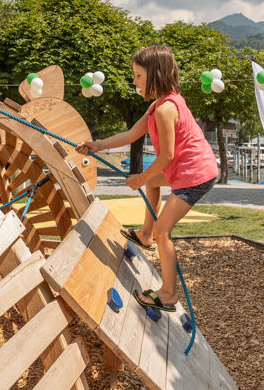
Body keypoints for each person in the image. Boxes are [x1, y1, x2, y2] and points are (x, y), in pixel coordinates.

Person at [75, 45, 218, 312]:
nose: (134, 81)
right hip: (187, 168)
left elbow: (166, 156)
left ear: (155, 75)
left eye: (138, 76)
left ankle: (168, 294)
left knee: (164, 229)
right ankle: (144, 234)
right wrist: (97, 145)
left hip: (195, 174)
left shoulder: (166, 110)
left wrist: (140, 177)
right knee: (153, 186)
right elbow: (131, 135)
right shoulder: (158, 106)